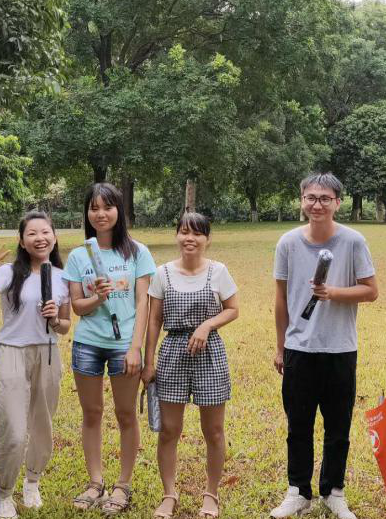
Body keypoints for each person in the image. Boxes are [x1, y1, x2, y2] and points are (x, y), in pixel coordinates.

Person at [269, 173, 378, 519]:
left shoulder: (353, 241)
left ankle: (333, 491)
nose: (317, 204)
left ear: (337, 203)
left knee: (338, 426)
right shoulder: (287, 242)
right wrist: (280, 346)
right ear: (301, 199)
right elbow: (280, 299)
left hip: (339, 349)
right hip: (299, 348)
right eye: (311, 197)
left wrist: (334, 293)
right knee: (297, 425)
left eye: (325, 198)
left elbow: (371, 290)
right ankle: (298, 491)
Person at [0, 212, 71, 518]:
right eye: (32, 233)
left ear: (54, 237)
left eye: (45, 232)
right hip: (11, 352)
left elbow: (65, 326)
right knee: (12, 428)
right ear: (22, 241)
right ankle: (4, 492)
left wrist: (55, 319)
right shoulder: (9, 273)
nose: (40, 238)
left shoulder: (62, 276)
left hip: (47, 354)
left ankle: (32, 482)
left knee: (42, 425)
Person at [63, 182, 156, 514]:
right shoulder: (78, 255)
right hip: (88, 342)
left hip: (123, 344)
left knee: (126, 414)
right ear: (87, 213)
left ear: (119, 210)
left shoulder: (137, 252)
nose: (100, 214)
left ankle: (123, 485)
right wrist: (98, 297)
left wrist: (135, 348)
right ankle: (95, 482)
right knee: (92, 414)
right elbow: (77, 308)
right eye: (93, 208)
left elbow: (143, 303)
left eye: (107, 207)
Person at [142, 212, 240, 519]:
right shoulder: (163, 273)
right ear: (176, 236)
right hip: (172, 353)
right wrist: (149, 360)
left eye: (197, 233)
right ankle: (169, 494)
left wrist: (207, 325)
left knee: (213, 430)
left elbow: (233, 309)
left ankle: (211, 494)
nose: (189, 238)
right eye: (184, 232)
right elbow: (155, 319)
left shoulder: (218, 271)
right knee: (169, 430)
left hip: (209, 353)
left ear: (207, 239)